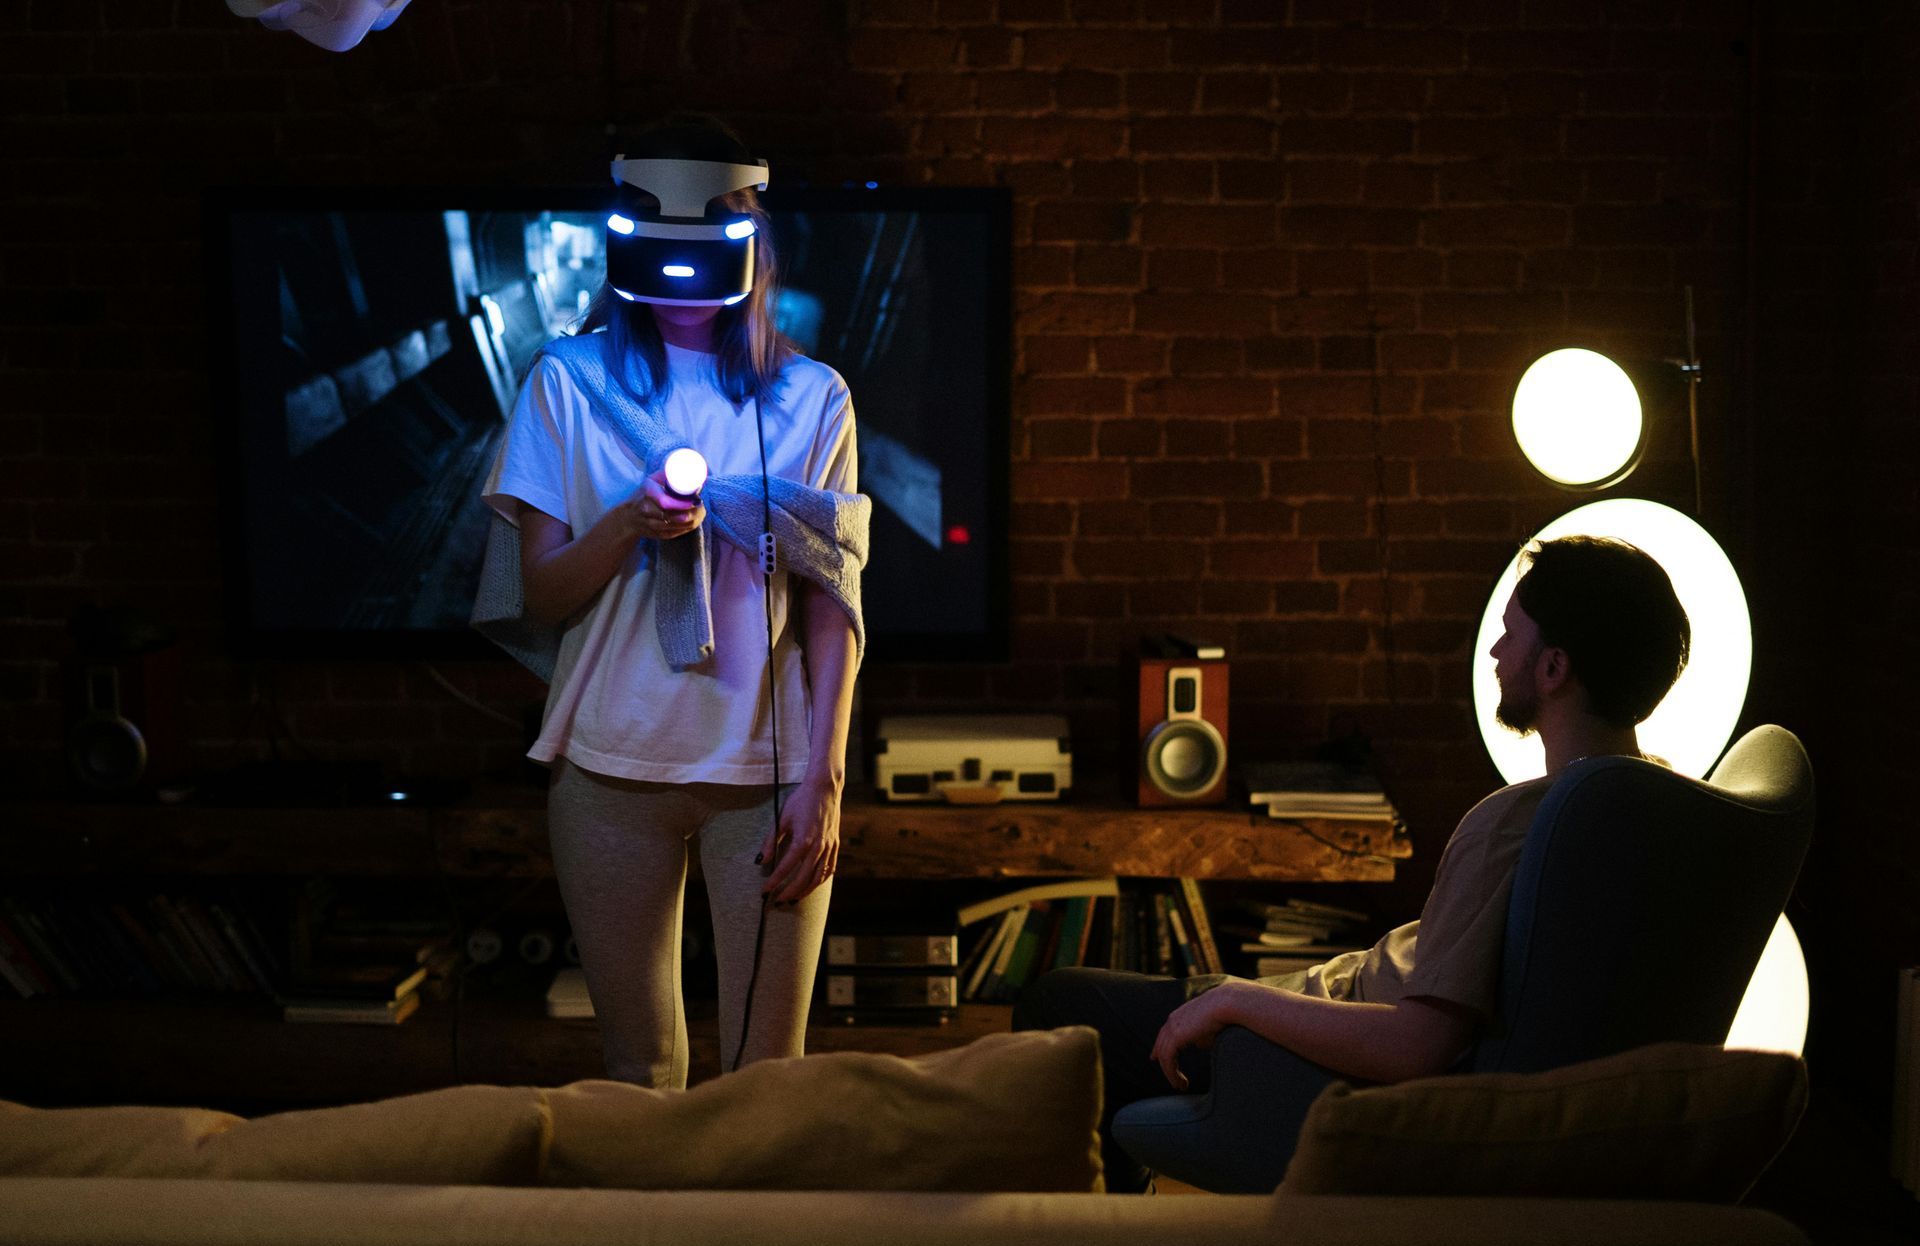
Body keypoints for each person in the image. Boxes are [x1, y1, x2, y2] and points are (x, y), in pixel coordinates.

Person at [1016, 535, 1691, 1191]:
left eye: (1511, 634)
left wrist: (1235, 1001)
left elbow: (1416, 1044)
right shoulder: (1655, 800)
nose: (1493, 649)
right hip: (1341, 1000)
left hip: (1306, 1057)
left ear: (1553, 669)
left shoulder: (1513, 825)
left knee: (1061, 1003)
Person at [475, 115, 869, 1088]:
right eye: (658, 252)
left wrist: (824, 778)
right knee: (640, 1068)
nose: (681, 281)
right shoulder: (567, 382)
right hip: (610, 764)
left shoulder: (813, 398)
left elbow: (831, 606)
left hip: (765, 771)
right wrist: (627, 526)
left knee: (766, 1074)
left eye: (705, 253)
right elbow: (542, 593)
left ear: (749, 246)